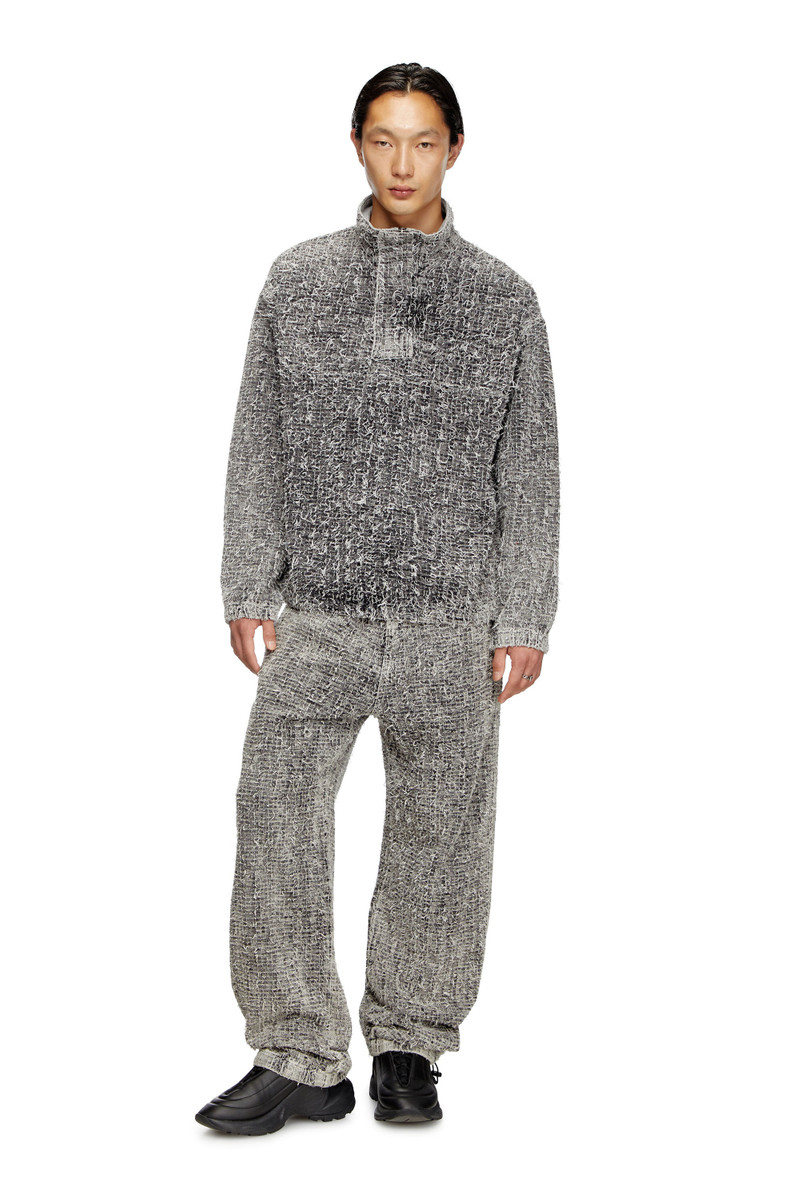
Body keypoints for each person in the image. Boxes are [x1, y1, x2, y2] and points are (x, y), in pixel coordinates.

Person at [195, 61, 560, 1136]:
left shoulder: (503, 299)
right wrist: (246, 580)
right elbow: (258, 438)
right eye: (384, 139)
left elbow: (529, 466)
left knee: (440, 836)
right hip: (319, 613)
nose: (403, 163)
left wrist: (525, 613)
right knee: (275, 812)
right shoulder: (297, 281)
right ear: (357, 144)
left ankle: (409, 1046)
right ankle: (299, 1053)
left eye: (424, 141)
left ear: (455, 149)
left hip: (453, 618)